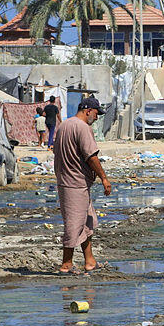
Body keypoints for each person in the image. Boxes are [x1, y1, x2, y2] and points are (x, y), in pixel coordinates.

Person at [54, 97, 111, 275]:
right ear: (88, 111)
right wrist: (104, 178)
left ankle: (90, 261)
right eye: (96, 114)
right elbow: (91, 156)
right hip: (75, 183)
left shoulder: (64, 125)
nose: (97, 118)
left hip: (68, 180)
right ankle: (66, 264)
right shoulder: (83, 128)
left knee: (88, 220)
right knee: (74, 224)